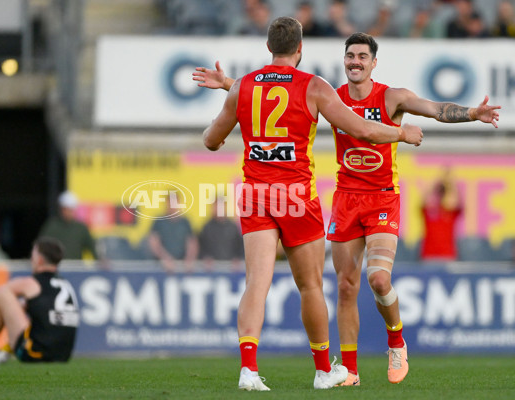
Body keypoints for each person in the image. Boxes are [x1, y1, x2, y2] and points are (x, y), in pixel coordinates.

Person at [194, 32, 498, 387]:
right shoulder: (329, 94)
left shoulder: (392, 97)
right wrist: (228, 84)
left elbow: (434, 109)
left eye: (361, 57)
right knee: (345, 285)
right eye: (350, 56)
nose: (355, 62)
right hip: (345, 198)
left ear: (373, 62)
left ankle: (396, 341)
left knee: (378, 278)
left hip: (383, 196)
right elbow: (286, 92)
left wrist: (473, 113)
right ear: (342, 60)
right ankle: (349, 372)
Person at [0, 237, 79, 365]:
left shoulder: (31, 283)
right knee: (34, 319)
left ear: (39, 259)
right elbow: (10, 312)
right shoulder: (65, 285)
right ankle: (4, 351)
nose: (31, 259)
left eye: (33, 255)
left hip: (34, 353)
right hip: (63, 356)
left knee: (1, 294)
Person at [39, 191, 97, 260]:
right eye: (64, 209)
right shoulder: (52, 226)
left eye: (69, 209)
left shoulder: (81, 228)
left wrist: (100, 261)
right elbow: (41, 246)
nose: (66, 212)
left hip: (75, 267)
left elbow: (92, 247)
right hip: (56, 266)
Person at [420, 168, 462, 261]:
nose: (441, 196)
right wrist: (437, 180)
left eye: (443, 193)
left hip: (447, 256)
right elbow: (422, 200)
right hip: (429, 256)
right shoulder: (429, 212)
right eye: (439, 193)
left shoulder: (450, 213)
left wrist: (451, 183)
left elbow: (460, 203)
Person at [148, 204, 199, 273]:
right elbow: (154, 242)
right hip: (161, 267)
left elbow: (191, 242)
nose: (173, 206)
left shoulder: (184, 222)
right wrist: (165, 258)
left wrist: (189, 258)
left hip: (183, 267)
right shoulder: (159, 221)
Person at [198, 200, 244, 271]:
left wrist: (238, 258)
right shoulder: (207, 227)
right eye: (216, 207)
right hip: (212, 270)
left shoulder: (232, 227)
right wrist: (205, 257)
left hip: (231, 269)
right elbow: (200, 246)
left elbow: (240, 246)